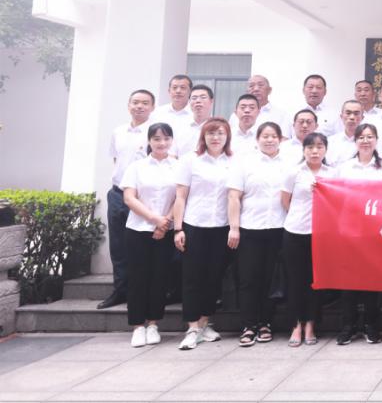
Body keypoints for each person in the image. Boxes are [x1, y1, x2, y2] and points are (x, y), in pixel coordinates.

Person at [171, 117, 233, 350]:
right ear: (203, 137)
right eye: (211, 133)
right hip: (194, 225)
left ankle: (205, 323)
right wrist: (178, 228)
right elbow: (180, 196)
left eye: (220, 133)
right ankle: (192, 327)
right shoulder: (190, 160)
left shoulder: (234, 161)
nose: (216, 138)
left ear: (227, 137)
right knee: (192, 278)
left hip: (222, 226)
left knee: (214, 278)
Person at [227, 122, 289, 347]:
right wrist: (234, 227)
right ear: (258, 139)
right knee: (248, 279)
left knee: (270, 279)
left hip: (278, 228)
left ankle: (265, 323)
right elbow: (234, 197)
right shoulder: (244, 163)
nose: (269, 140)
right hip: (249, 228)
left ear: (280, 139)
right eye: (265, 136)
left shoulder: (288, 164)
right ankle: (248, 325)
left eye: (274, 136)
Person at [336, 123, 382, 345]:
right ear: (355, 141)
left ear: (376, 141)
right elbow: (334, 194)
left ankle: (371, 325)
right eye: (361, 137)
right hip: (348, 231)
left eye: (370, 137)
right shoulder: (344, 168)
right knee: (348, 280)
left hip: (375, 231)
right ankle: (348, 325)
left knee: (372, 280)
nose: (365, 141)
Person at [121, 123, 178, 347]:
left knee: (159, 278)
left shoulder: (178, 166)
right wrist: (154, 219)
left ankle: (153, 324)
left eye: (166, 138)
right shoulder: (137, 167)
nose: (161, 143)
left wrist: (164, 224)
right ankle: (137, 326)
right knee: (137, 278)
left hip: (165, 230)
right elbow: (129, 198)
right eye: (156, 139)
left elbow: (180, 198)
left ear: (171, 140)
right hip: (138, 229)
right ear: (149, 141)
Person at [102, 89, 156, 310]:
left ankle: (143, 292)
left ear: (152, 107)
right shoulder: (118, 132)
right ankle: (120, 290)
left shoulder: (155, 133)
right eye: (135, 102)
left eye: (145, 103)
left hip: (143, 199)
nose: (139, 106)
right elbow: (116, 160)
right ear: (128, 105)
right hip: (118, 194)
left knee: (144, 246)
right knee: (118, 245)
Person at [281, 131, 335, 347]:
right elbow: (285, 201)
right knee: (295, 280)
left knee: (315, 281)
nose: (315, 151)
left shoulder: (332, 174)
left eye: (319, 147)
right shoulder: (294, 172)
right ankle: (296, 325)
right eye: (310, 147)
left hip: (321, 234)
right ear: (303, 150)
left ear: (325, 150)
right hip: (295, 231)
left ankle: (311, 324)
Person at [174, 85, 216, 159]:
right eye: (194, 98)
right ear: (189, 102)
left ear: (211, 101)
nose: (198, 101)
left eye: (203, 97)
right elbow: (172, 153)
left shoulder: (218, 127)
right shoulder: (178, 126)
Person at [327, 100, 365, 165]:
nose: (352, 117)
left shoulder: (368, 142)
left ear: (362, 117)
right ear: (341, 116)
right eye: (348, 113)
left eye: (356, 114)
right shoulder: (330, 141)